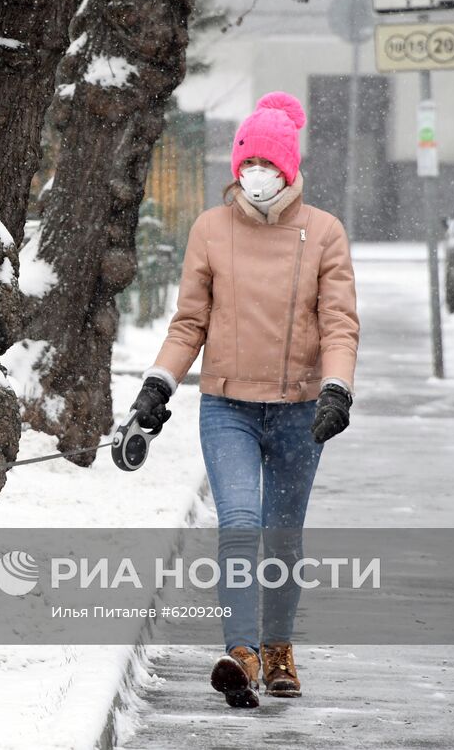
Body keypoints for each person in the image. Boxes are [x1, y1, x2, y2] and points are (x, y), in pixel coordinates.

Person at [130, 91, 359, 709]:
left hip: (298, 412)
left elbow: (339, 323)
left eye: (267, 164)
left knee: (283, 537)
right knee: (239, 523)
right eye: (246, 163)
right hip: (227, 406)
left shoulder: (324, 233)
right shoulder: (210, 229)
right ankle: (242, 650)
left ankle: (279, 649)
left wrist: (336, 389)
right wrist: (157, 386)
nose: (255, 174)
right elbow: (188, 324)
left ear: (288, 168)